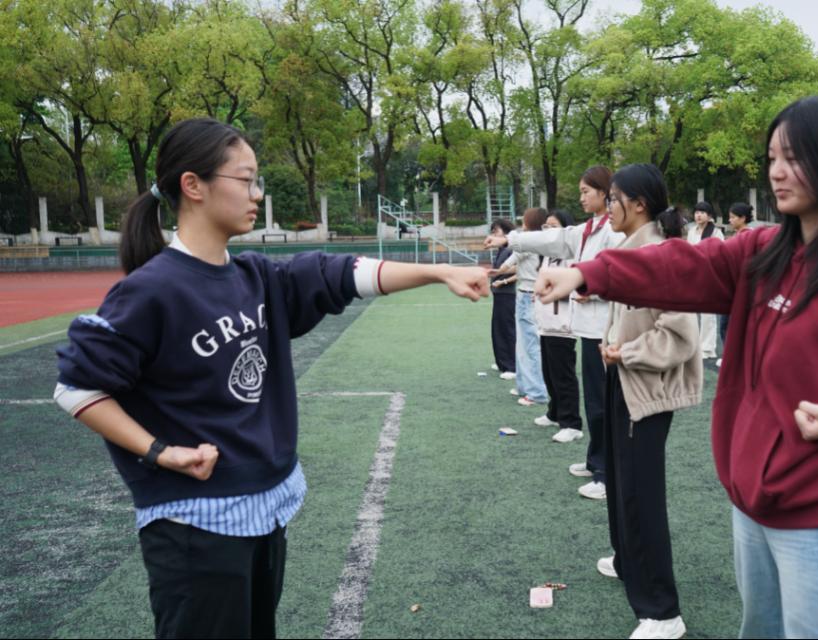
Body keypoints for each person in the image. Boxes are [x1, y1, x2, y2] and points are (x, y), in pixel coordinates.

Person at [536, 92, 818, 638]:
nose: (777, 172)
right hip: (754, 503)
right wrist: (588, 274)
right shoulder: (764, 250)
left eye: (794, 158)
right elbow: (680, 265)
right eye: (772, 158)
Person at [52, 118, 489, 639]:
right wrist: (160, 453)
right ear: (193, 186)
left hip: (264, 513)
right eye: (246, 179)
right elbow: (77, 388)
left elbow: (340, 274)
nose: (257, 193)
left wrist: (438, 272)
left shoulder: (256, 276)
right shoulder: (151, 290)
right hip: (194, 528)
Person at [593, 164, 701, 640]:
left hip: (646, 388)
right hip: (622, 380)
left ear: (639, 204)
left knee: (641, 495)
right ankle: (627, 561)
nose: (606, 207)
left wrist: (628, 352)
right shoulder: (628, 250)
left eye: (613, 198)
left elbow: (680, 336)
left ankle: (663, 612)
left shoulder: (661, 256)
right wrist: (612, 345)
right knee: (621, 483)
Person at [484, 166, 624, 501]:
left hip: (606, 331)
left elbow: (619, 276)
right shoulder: (587, 229)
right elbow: (552, 240)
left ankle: (607, 474)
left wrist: (593, 291)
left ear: (604, 192)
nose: (581, 197)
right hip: (588, 329)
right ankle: (596, 461)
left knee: (602, 404)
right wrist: (510, 239)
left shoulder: (613, 232)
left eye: (586, 191)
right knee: (594, 402)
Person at [493, 208, 549, 406]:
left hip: (528, 295)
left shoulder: (528, 242)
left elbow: (509, 261)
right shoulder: (540, 241)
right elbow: (513, 263)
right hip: (527, 294)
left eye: (524, 220)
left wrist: (496, 272)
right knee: (523, 345)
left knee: (530, 346)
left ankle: (536, 392)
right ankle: (525, 386)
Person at [533, 209, 582, 432]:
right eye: (546, 226)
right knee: (549, 373)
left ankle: (571, 423)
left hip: (562, 324)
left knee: (563, 375)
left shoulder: (571, 256)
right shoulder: (547, 255)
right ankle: (554, 413)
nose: (548, 231)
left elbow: (571, 286)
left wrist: (550, 289)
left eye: (553, 226)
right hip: (546, 324)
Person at [686, 201, 724, 360]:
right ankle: (694, 345)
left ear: (709, 216)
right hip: (693, 275)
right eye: (696, 212)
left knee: (708, 314)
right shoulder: (691, 231)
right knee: (692, 313)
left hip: (709, 275)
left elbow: (720, 253)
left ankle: (708, 348)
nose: (698, 215)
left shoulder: (716, 233)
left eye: (702, 212)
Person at [719, 203, 755, 365]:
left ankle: (734, 358)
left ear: (743, 218)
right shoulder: (739, 235)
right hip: (734, 287)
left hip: (740, 288)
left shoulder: (747, 236)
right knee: (727, 325)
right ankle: (732, 357)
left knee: (729, 325)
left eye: (733, 217)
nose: (730, 220)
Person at [489, 218, 517, 379]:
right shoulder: (501, 249)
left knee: (507, 330)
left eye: (496, 231)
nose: (493, 235)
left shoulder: (512, 249)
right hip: (499, 294)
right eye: (492, 232)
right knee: (498, 329)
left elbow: (518, 270)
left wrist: (503, 281)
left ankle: (511, 366)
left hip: (508, 294)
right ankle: (502, 362)